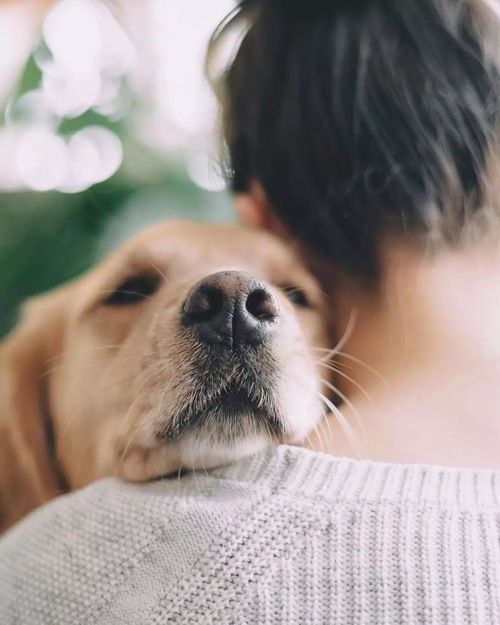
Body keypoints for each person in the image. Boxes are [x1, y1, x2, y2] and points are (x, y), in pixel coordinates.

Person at [1, 0, 499, 623]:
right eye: (129, 293)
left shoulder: (55, 585)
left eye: (291, 294)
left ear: (262, 209)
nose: (236, 302)